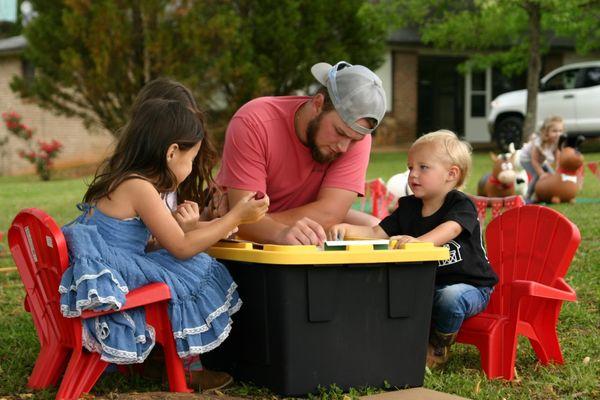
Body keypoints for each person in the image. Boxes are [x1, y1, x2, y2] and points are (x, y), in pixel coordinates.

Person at [58, 98, 269, 390]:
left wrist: (197, 226)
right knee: (193, 268)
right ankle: (188, 367)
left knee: (182, 263)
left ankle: (160, 361)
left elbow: (164, 240)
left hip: (114, 266)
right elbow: (181, 247)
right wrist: (237, 215)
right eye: (191, 159)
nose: (191, 167)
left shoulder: (123, 179)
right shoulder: (140, 187)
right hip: (117, 277)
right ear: (172, 153)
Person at [328, 130, 498, 368]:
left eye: (423, 167)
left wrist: (421, 242)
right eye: (410, 168)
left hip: (471, 287)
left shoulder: (461, 205)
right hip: (427, 285)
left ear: (451, 174)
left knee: (449, 298)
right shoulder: (408, 207)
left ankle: (438, 345)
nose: (413, 174)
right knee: (390, 293)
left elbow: (450, 229)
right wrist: (345, 230)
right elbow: (376, 233)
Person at [215, 61, 386, 245]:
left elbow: (330, 214)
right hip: (229, 232)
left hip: (284, 221)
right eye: (339, 132)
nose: (344, 148)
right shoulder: (254, 122)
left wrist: (254, 223)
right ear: (318, 104)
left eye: (354, 140)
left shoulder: (356, 136)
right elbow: (243, 218)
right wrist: (266, 229)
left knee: (375, 227)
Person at [519, 115, 564, 200]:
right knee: (537, 175)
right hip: (526, 159)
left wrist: (558, 170)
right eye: (554, 131)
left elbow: (558, 158)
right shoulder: (538, 142)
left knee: (552, 174)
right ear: (546, 132)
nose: (558, 134)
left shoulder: (557, 141)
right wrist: (542, 174)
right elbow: (534, 160)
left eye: (560, 131)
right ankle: (528, 195)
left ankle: (553, 192)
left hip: (541, 161)